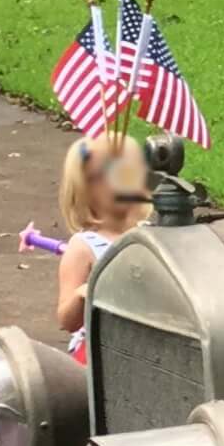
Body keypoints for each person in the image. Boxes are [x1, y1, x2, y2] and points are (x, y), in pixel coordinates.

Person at [54, 134, 146, 360]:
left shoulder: (148, 233)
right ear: (85, 190)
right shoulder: (84, 247)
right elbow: (67, 321)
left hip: (145, 342)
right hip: (100, 351)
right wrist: (82, 295)